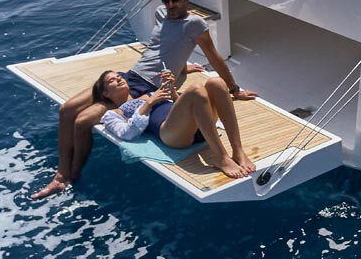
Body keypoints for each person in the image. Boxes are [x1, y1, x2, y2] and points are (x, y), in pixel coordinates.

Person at [31, 0, 256, 199]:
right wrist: (182, 68)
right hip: (129, 75)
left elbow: (214, 57)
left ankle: (71, 175)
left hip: (147, 87)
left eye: (175, 0)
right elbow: (162, 47)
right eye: (166, 0)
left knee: (82, 121)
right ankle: (61, 175)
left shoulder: (195, 24)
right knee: (67, 109)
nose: (170, 5)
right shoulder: (160, 13)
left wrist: (234, 89)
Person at [92, 65, 257, 179]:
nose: (119, 79)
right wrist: (149, 103)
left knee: (217, 82)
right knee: (196, 89)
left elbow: (186, 105)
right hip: (171, 134)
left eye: (119, 76)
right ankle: (220, 157)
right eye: (112, 80)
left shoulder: (149, 92)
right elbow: (127, 133)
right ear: (105, 93)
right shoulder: (113, 114)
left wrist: (172, 92)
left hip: (195, 124)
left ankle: (238, 150)